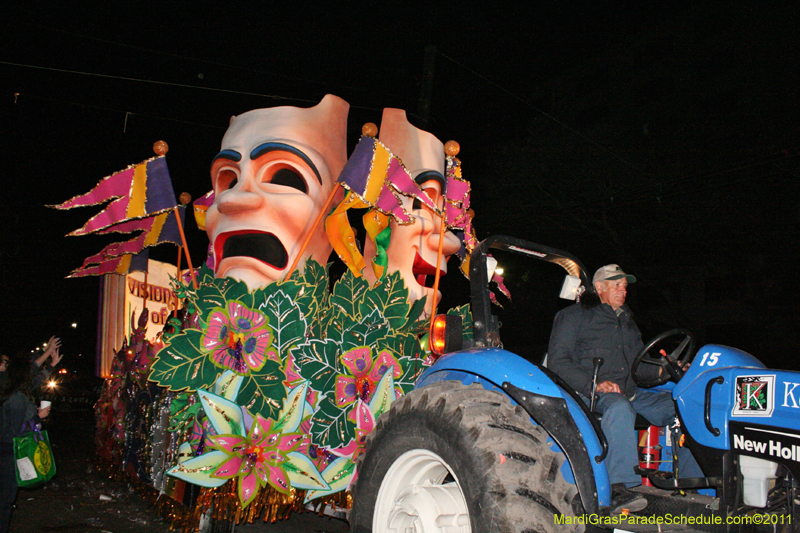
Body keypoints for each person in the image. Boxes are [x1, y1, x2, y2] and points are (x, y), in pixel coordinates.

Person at [547, 264, 703, 513]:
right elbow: (558, 362)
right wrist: (594, 384)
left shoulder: (627, 323)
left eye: (625, 286)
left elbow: (637, 368)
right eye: (616, 285)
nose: (623, 290)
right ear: (599, 288)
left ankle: (689, 484)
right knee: (619, 407)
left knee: (685, 407)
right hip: (590, 394)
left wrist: (665, 371)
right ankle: (619, 487)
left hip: (632, 393)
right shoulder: (573, 316)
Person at [1, 354, 52, 533]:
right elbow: (15, 432)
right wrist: (38, 417)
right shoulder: (17, 398)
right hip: (8, 453)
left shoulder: (13, 394)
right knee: (5, 501)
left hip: (5, 451)